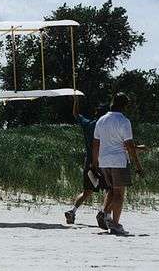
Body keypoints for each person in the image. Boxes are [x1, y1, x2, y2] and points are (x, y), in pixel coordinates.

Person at [92, 92, 144, 235]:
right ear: (125, 106)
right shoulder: (124, 121)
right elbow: (130, 146)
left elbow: (95, 144)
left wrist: (95, 162)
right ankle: (114, 223)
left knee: (111, 191)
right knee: (119, 194)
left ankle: (105, 213)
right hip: (119, 161)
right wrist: (139, 166)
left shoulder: (101, 120)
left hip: (103, 161)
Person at [64, 97, 109, 226]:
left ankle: (72, 211)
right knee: (109, 190)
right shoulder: (105, 127)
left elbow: (76, 114)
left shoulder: (88, 124)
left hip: (89, 161)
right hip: (104, 162)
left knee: (87, 191)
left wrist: (76, 101)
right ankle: (103, 213)